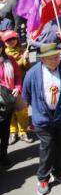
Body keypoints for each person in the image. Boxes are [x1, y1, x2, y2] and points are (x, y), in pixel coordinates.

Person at [22, 42, 61, 195]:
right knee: (48, 147)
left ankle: (59, 172)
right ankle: (43, 177)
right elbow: (25, 94)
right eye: (51, 58)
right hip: (43, 117)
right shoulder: (33, 73)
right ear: (43, 59)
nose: (55, 60)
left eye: (57, 57)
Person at [2, 30, 33, 144]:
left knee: (22, 110)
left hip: (21, 83)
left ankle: (23, 131)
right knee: (9, 111)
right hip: (6, 87)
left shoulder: (23, 50)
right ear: (4, 42)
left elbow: (27, 68)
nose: (11, 41)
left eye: (13, 39)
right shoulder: (3, 53)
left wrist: (26, 58)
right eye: (8, 40)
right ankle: (12, 131)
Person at [0, 34, 22, 168]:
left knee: (4, 130)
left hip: (7, 100)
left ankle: (4, 154)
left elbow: (18, 76)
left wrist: (18, 88)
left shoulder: (10, 60)